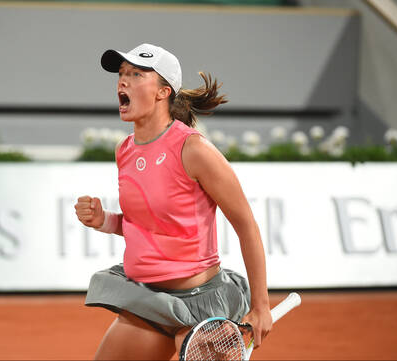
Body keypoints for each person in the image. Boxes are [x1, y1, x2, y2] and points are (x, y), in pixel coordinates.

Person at [75, 43, 272, 360]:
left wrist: (261, 306)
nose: (122, 81)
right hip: (149, 302)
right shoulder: (125, 150)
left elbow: (246, 226)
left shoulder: (194, 150)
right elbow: (149, 226)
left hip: (200, 304)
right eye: (122, 74)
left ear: (163, 92)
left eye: (136, 74)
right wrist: (105, 221)